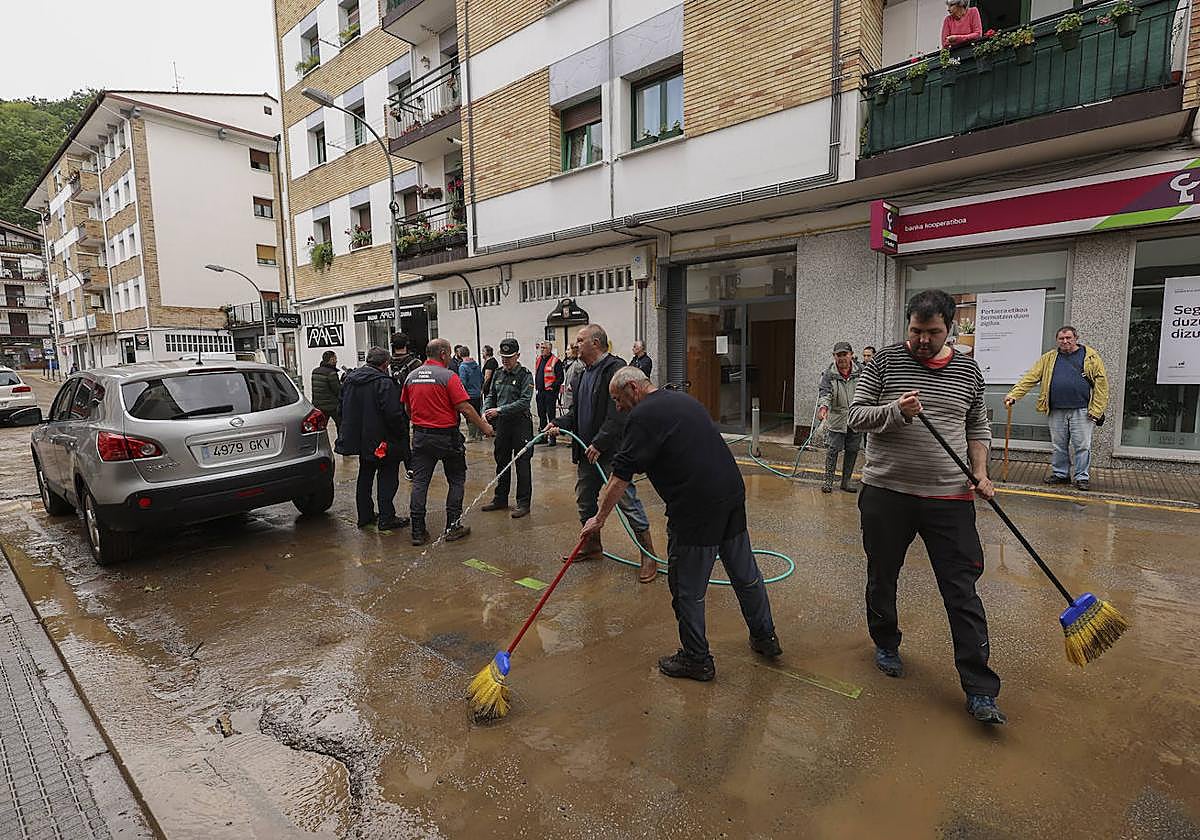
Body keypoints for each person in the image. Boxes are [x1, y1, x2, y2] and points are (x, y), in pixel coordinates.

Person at [848, 289, 1006, 726]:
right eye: (916, 331)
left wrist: (980, 471)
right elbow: (854, 417)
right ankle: (886, 642)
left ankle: (979, 690)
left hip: (949, 497)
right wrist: (896, 411)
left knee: (962, 590)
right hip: (887, 493)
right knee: (882, 576)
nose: (922, 340)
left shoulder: (968, 369)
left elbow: (978, 423)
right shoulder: (882, 363)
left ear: (949, 328)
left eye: (932, 332)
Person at [582, 367, 780, 680]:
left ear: (633, 388)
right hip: (730, 494)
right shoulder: (683, 400)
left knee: (687, 589)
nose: (617, 407)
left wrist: (599, 519)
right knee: (745, 574)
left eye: (618, 399)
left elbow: (620, 476)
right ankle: (765, 638)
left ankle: (696, 660)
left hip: (696, 508)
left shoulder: (642, 416)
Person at [546, 324, 658, 581]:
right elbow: (576, 414)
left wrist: (599, 442)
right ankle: (592, 546)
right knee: (584, 499)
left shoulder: (614, 370)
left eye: (580, 340)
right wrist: (559, 423)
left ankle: (648, 554)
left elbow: (618, 414)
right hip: (588, 451)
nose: (575, 344)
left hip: (610, 451)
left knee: (626, 501)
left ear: (595, 343)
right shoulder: (582, 374)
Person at [402, 338, 494, 545]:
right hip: (446, 437)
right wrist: (484, 427)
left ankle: (417, 531)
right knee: (456, 479)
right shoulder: (448, 377)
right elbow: (465, 407)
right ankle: (453, 527)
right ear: (443, 354)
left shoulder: (412, 376)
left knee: (419, 483)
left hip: (421, 436)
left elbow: (407, 409)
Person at [1004, 326, 1108, 492]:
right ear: (1057, 340)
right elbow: (1031, 377)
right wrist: (1014, 394)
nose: (1065, 341)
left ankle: (1082, 477)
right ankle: (1061, 474)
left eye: (1068, 338)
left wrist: (1097, 409)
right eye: (1061, 338)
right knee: (1059, 445)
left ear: (1076, 338)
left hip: (1081, 410)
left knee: (1082, 445)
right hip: (1056, 409)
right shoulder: (1049, 358)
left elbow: (1102, 385)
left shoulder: (1091, 357)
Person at [335, 347, 410, 531]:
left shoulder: (350, 381)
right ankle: (386, 518)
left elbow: (341, 408)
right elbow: (393, 414)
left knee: (365, 476)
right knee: (387, 477)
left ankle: (365, 516)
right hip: (383, 440)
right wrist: (401, 435)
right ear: (385, 364)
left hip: (361, 439)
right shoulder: (384, 383)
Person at [481, 338, 534, 518]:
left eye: (509, 357)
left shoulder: (525, 375)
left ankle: (523, 503)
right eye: (503, 357)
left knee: (522, 464)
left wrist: (499, 410)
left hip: (520, 424)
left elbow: (524, 401)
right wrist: (485, 411)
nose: (505, 361)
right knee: (501, 462)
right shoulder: (498, 373)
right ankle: (500, 498)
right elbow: (491, 395)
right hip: (503, 424)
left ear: (517, 356)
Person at [817, 342, 862, 494]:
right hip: (837, 418)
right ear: (834, 356)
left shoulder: (861, 371)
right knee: (833, 450)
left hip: (856, 418)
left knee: (852, 450)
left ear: (851, 355)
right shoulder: (829, 374)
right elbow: (825, 394)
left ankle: (846, 482)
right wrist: (823, 408)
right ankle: (828, 482)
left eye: (845, 354)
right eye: (839, 355)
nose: (842, 358)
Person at [389, 333, 424, 480]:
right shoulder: (415, 363)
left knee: (400, 436)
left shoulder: (387, 363)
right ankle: (416, 466)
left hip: (393, 403)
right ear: (406, 344)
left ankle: (406, 466)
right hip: (412, 403)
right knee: (417, 434)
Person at [534, 342, 564, 446]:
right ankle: (543, 437)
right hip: (540, 392)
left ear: (550, 349)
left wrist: (553, 387)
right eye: (541, 348)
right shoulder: (539, 360)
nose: (542, 350)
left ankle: (552, 438)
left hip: (550, 393)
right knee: (541, 415)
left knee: (551, 416)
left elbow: (560, 378)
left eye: (544, 348)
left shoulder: (556, 361)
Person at [457, 346, 485, 442]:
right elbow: (482, 379)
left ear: (460, 354)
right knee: (477, 414)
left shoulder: (462, 367)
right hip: (478, 394)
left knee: (470, 415)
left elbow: (463, 382)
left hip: (468, 395)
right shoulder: (477, 365)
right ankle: (479, 435)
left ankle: (472, 436)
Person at [310, 351, 343, 428]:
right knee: (340, 425)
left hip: (318, 405)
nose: (336, 361)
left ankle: (322, 440)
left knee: (321, 427)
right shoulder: (331, 373)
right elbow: (337, 390)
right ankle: (341, 440)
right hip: (332, 406)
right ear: (331, 360)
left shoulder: (315, 371)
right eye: (335, 358)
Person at [561, 346, 585, 414]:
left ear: (574, 351)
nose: (566, 352)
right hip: (569, 397)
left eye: (568, 349)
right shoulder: (570, 364)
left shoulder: (578, 364)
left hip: (574, 398)